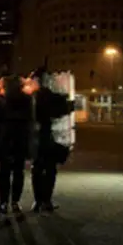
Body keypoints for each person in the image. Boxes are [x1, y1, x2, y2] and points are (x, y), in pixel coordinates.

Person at [31, 83, 72, 212]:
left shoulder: (33, 97)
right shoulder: (54, 98)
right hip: (51, 138)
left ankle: (38, 201)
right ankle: (46, 200)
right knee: (50, 170)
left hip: (38, 139)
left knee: (37, 169)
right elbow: (63, 112)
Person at [0, 75, 32, 216]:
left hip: (7, 138)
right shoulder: (26, 100)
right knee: (18, 171)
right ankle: (14, 202)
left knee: (5, 172)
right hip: (19, 139)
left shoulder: (3, 101)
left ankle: (4, 201)